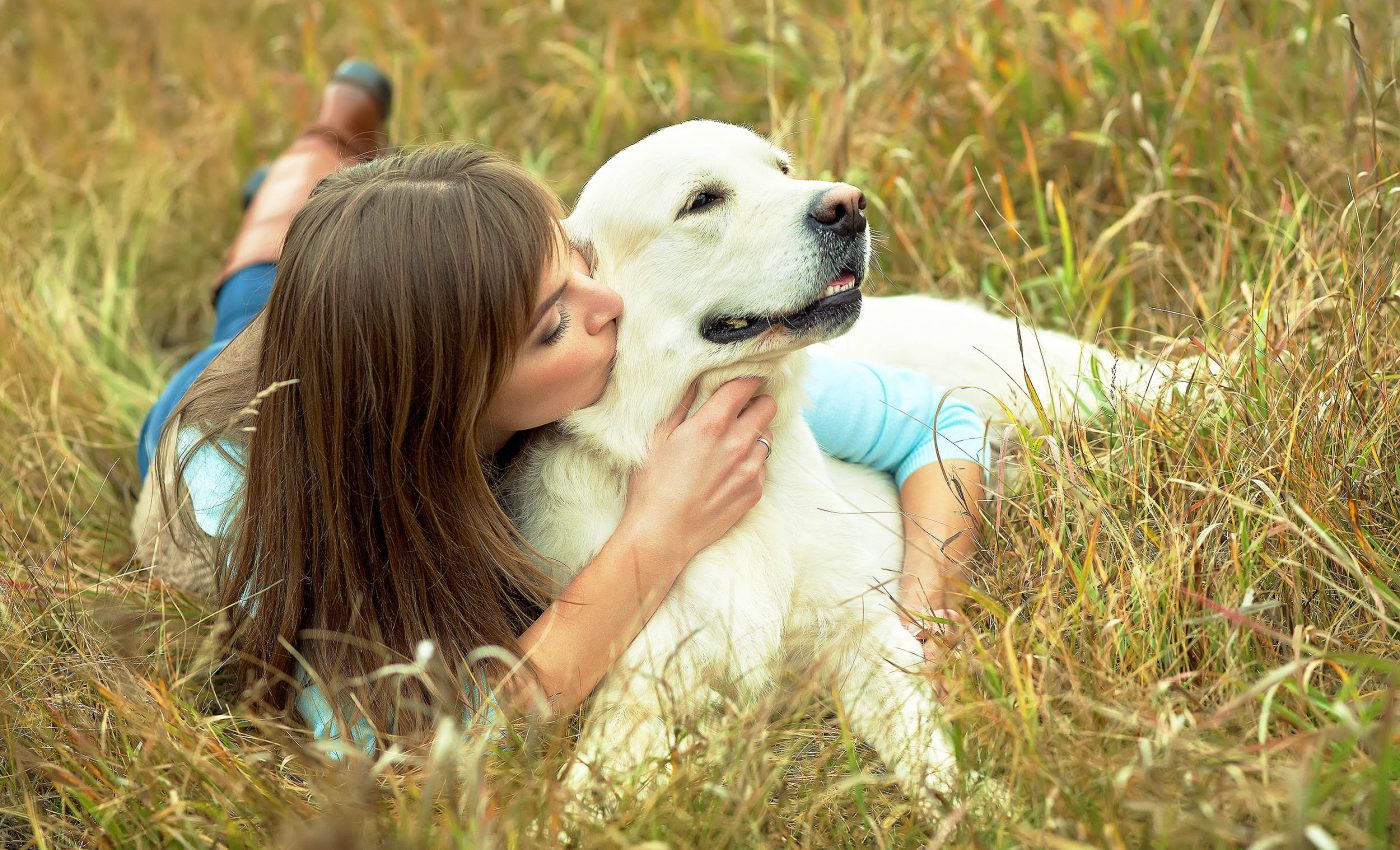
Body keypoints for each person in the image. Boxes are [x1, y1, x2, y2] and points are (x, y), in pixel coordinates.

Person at [135, 60, 988, 752]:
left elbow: (933, 420)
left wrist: (923, 613)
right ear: (453, 398)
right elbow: (404, 743)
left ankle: (333, 161)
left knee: (304, 253)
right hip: (219, 400)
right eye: (554, 324)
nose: (609, 304)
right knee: (252, 292)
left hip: (359, 330)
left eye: (578, 264)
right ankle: (326, 135)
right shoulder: (250, 505)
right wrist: (657, 533)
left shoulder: (618, 365)